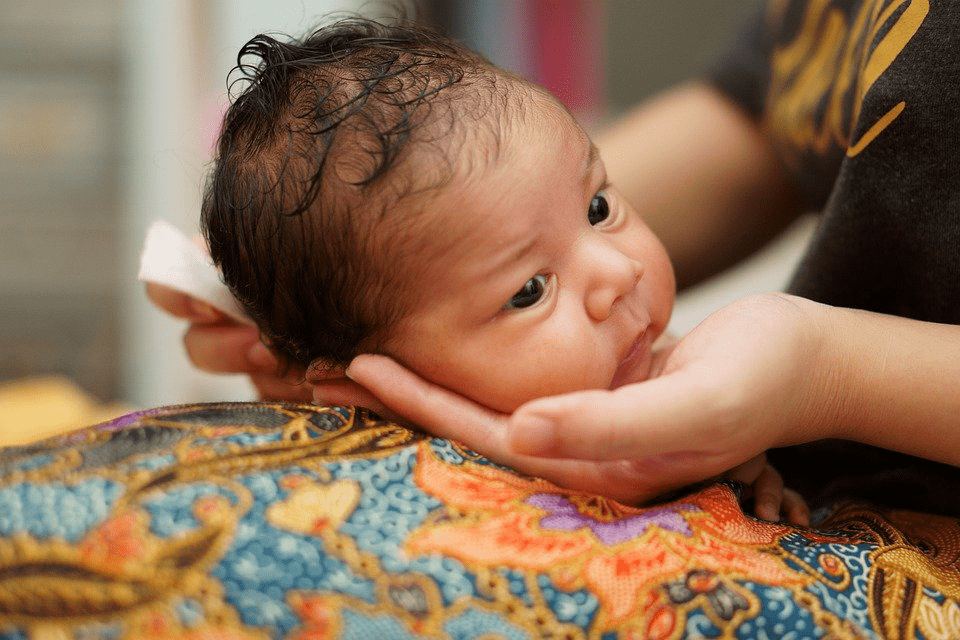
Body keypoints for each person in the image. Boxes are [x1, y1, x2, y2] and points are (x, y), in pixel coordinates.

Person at [150, 0, 960, 518]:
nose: (616, 276)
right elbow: (767, 112)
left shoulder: (722, 386)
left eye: (601, 208)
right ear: (373, 374)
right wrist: (339, 257)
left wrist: (824, 381)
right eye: (531, 289)